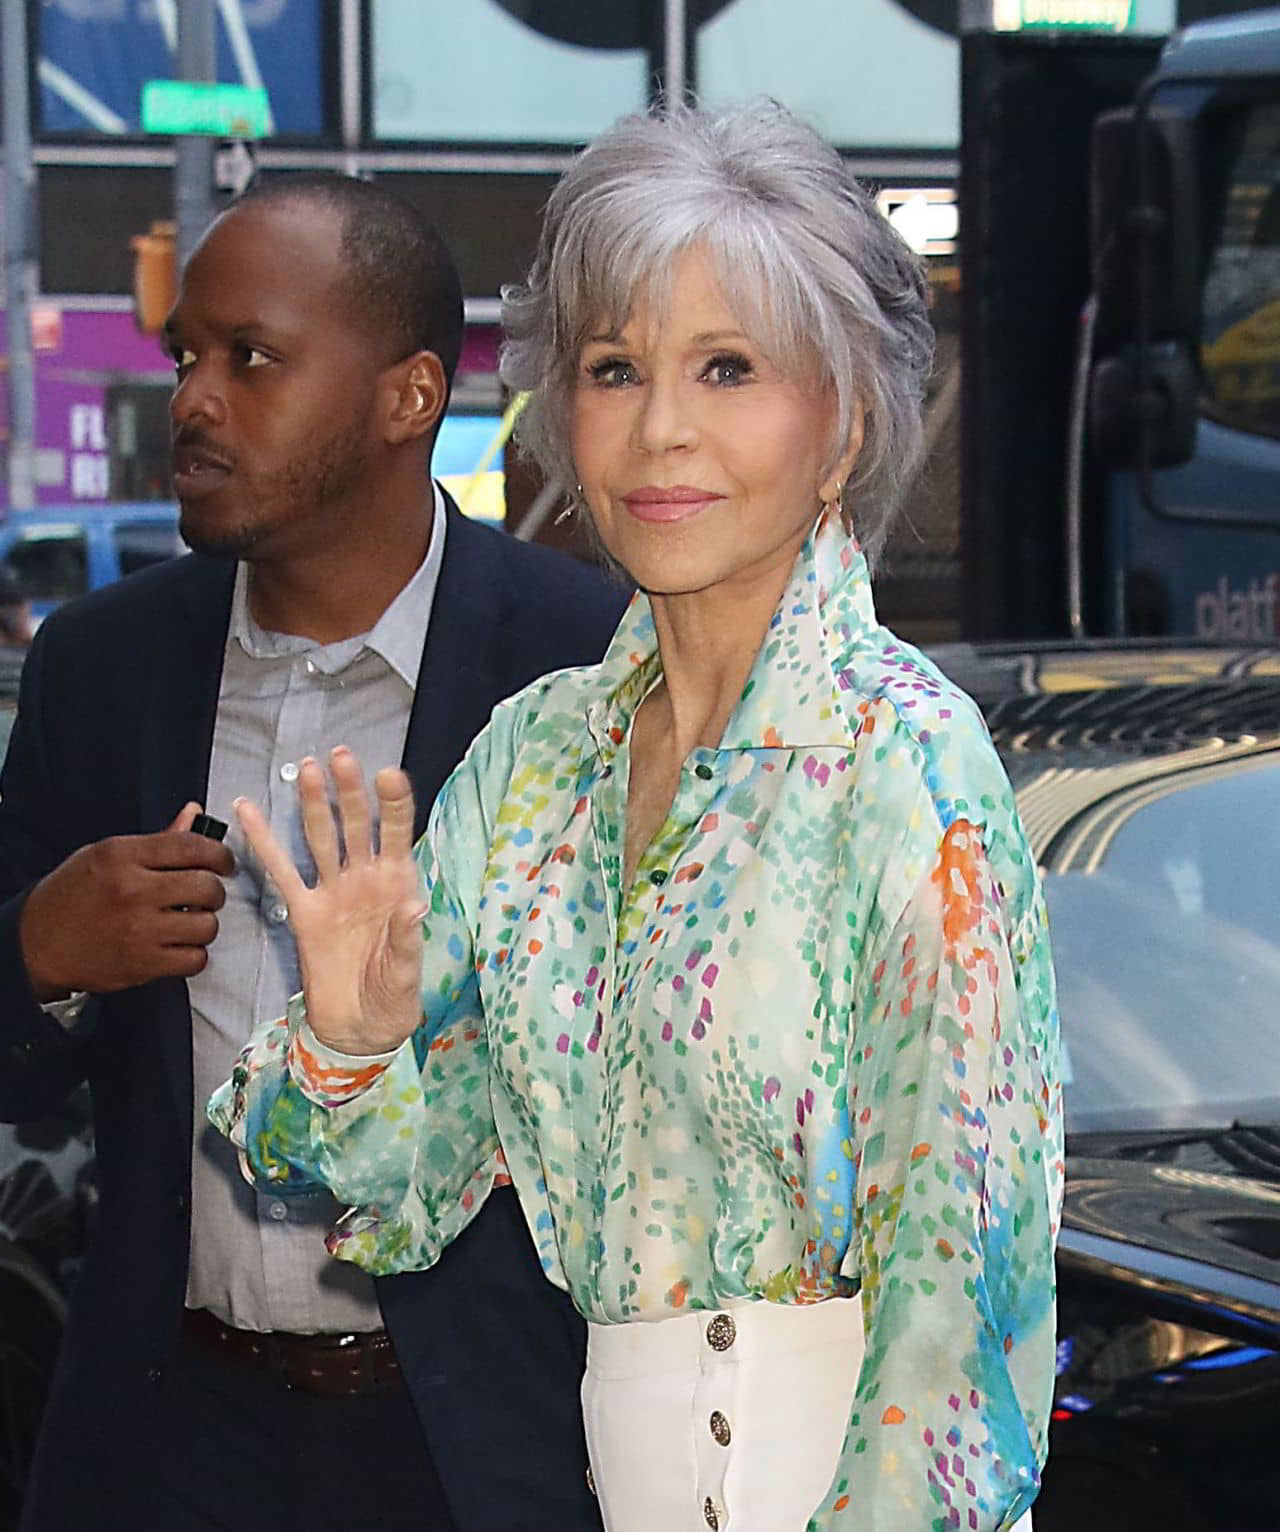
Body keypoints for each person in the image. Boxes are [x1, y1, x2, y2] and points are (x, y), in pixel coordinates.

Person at [214, 105, 1063, 1532]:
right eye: (615, 370)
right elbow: (401, 1189)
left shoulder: (903, 763)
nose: (662, 427)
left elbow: (964, 1309)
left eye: (728, 367)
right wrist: (352, 1050)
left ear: (843, 423)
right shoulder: (539, 760)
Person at [0, 173, 624, 1532]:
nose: (197, 402)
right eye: (188, 358)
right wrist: (41, 954)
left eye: (253, 359)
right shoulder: (101, 673)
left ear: (407, 398)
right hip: (168, 1441)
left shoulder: (589, 668)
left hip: (480, 1452)